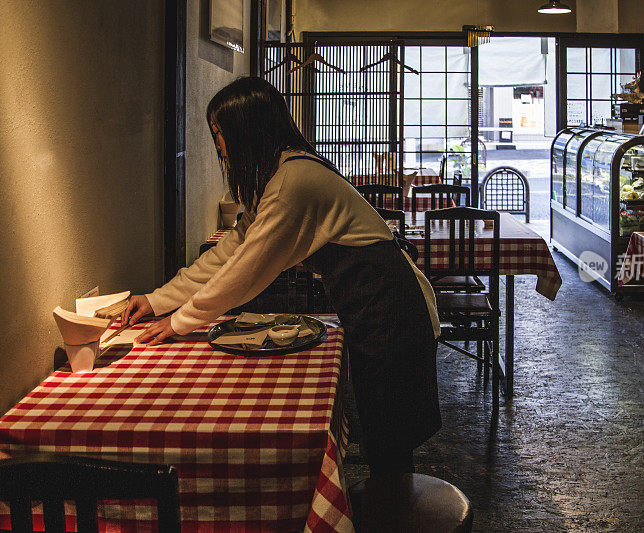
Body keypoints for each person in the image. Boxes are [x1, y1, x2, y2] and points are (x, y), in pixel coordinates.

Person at [123, 76, 441, 475]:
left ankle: (394, 513)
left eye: (219, 133)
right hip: (374, 304)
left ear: (245, 130)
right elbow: (230, 251)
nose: (218, 145)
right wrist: (156, 300)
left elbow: (245, 271)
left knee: (389, 448)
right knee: (382, 438)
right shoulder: (278, 174)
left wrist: (179, 321)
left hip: (391, 309)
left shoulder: (292, 182)